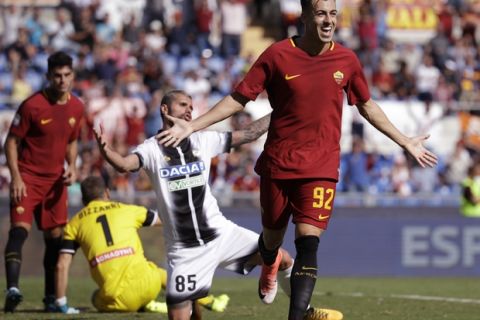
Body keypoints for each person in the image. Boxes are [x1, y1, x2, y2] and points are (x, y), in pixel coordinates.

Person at [156, 1, 439, 319]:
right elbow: (239, 98)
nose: (328, 20)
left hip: (321, 166)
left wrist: (404, 141)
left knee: (308, 243)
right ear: (304, 17)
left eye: (332, 13)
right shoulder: (277, 55)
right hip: (279, 163)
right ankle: (269, 263)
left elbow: (367, 104)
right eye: (321, 14)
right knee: (272, 239)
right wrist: (193, 125)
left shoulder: (347, 59)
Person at [93, 90, 342, 320]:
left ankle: (306, 312)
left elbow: (249, 134)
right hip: (185, 250)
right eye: (182, 105)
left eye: (191, 106)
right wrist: (106, 151)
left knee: (284, 259)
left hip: (222, 234)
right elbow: (124, 165)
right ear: (165, 110)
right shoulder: (151, 149)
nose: (190, 110)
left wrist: (284, 109)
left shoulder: (202, 140)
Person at [55, 176, 230, 314]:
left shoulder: (74, 223)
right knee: (166, 275)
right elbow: (167, 221)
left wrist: (61, 303)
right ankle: (212, 302)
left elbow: (62, 265)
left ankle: (144, 305)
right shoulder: (126, 209)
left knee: (95, 298)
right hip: (149, 284)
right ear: (107, 193)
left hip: (119, 299)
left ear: (84, 200)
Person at [3, 51, 85, 313]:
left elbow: (72, 140)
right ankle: (12, 289)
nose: (62, 80)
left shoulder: (77, 107)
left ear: (72, 76)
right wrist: (16, 177)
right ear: (49, 76)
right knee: (19, 231)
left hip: (55, 184)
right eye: (57, 76)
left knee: (55, 239)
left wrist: (71, 166)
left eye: (67, 75)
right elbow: (11, 142)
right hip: (27, 178)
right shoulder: (32, 106)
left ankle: (51, 297)